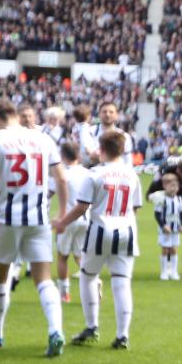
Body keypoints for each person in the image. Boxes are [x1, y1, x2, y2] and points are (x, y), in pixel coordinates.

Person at [0, 98, 69, 356]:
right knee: (43, 279)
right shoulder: (43, 139)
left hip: (5, 218)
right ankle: (56, 331)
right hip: (38, 218)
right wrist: (62, 213)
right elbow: (61, 178)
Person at [54, 130, 142, 349]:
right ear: (122, 150)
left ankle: (91, 326)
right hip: (126, 231)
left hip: (100, 229)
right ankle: (123, 335)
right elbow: (136, 207)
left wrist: (62, 222)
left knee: (88, 276)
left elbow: (82, 206)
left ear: (101, 150)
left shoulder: (94, 174)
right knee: (121, 282)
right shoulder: (132, 174)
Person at [147, 157, 182, 278]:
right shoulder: (165, 170)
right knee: (168, 227)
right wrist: (153, 195)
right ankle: (167, 265)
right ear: (179, 172)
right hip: (170, 190)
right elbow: (149, 194)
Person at [53, 141, 92, 303]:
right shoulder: (88, 173)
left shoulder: (62, 174)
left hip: (68, 218)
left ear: (62, 156)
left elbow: (49, 193)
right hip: (85, 218)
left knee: (62, 256)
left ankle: (64, 294)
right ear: (79, 155)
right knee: (80, 255)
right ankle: (93, 282)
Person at [154, 172, 182, 281]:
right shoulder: (161, 199)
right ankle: (164, 272)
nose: (174, 188)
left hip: (175, 228)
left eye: (175, 186)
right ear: (164, 186)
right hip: (165, 229)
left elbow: (181, 214)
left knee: (174, 249)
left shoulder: (179, 199)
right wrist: (163, 226)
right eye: (171, 186)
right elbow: (157, 214)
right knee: (165, 249)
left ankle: (174, 271)